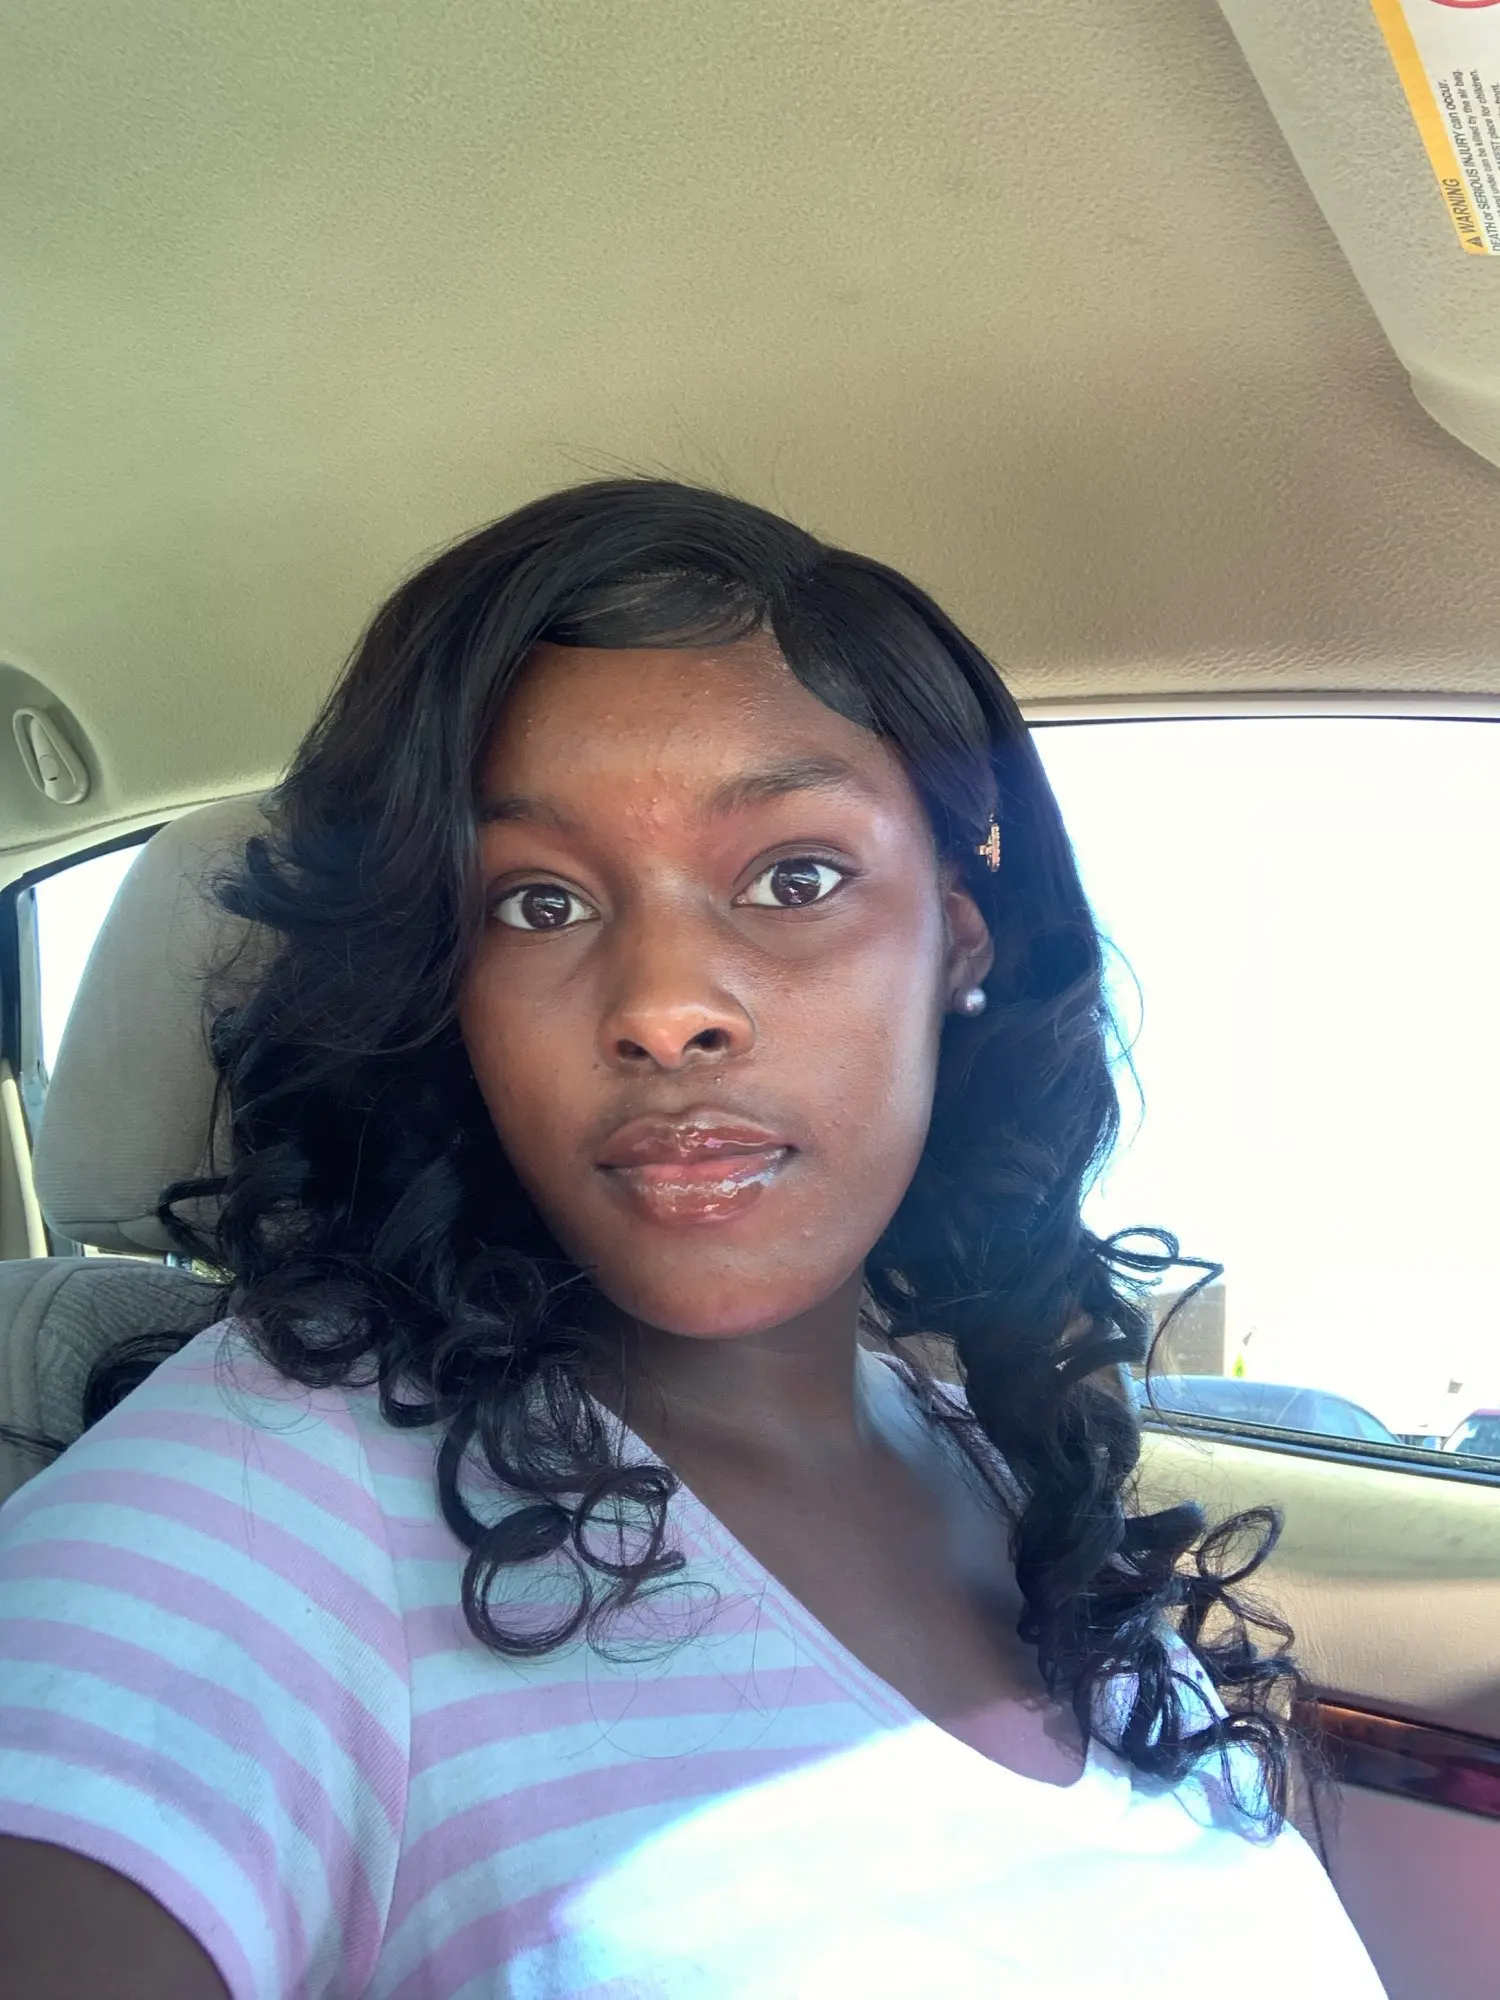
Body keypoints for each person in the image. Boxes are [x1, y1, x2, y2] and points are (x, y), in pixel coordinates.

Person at [0, 480, 1384, 1996]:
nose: (665, 1009)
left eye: (796, 878)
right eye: (535, 902)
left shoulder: (1000, 1464)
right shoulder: (251, 1508)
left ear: (959, 938)